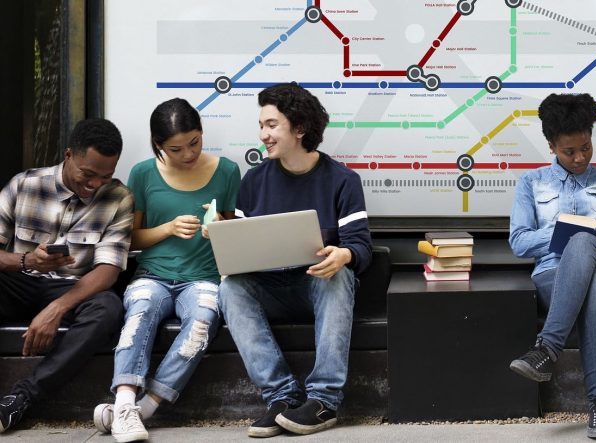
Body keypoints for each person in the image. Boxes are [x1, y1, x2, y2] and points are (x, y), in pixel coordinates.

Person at [217, 83, 371, 438]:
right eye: (261, 126)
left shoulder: (343, 181)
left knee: (340, 275)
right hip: (268, 287)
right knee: (230, 288)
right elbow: (241, 249)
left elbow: (361, 246)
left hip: (317, 284)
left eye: (271, 125)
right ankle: (282, 397)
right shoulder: (253, 181)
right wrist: (224, 239)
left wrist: (344, 254)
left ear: (299, 128)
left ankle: (323, 401)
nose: (263, 135)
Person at [91, 98, 241, 442]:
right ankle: (125, 401)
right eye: (176, 148)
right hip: (153, 275)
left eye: (195, 142)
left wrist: (218, 225)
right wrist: (169, 228)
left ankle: (144, 409)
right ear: (158, 144)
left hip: (204, 277)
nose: (188, 154)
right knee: (139, 314)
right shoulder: (143, 173)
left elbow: (234, 239)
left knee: (201, 324)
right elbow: (128, 240)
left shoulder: (228, 171)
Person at [508, 93, 596, 440]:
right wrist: (565, 226)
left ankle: (546, 348)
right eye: (569, 151)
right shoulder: (531, 183)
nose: (579, 158)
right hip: (555, 276)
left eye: (586, 148)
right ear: (551, 146)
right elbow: (519, 242)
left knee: (586, 249)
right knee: (594, 283)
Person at [0, 119, 133, 433]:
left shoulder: (119, 198)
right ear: (69, 155)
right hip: (19, 281)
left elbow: (108, 271)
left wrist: (56, 308)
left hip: (74, 290)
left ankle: (21, 398)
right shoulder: (24, 184)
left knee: (109, 308)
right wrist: (25, 259)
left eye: (106, 175)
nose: (95, 184)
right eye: (88, 174)